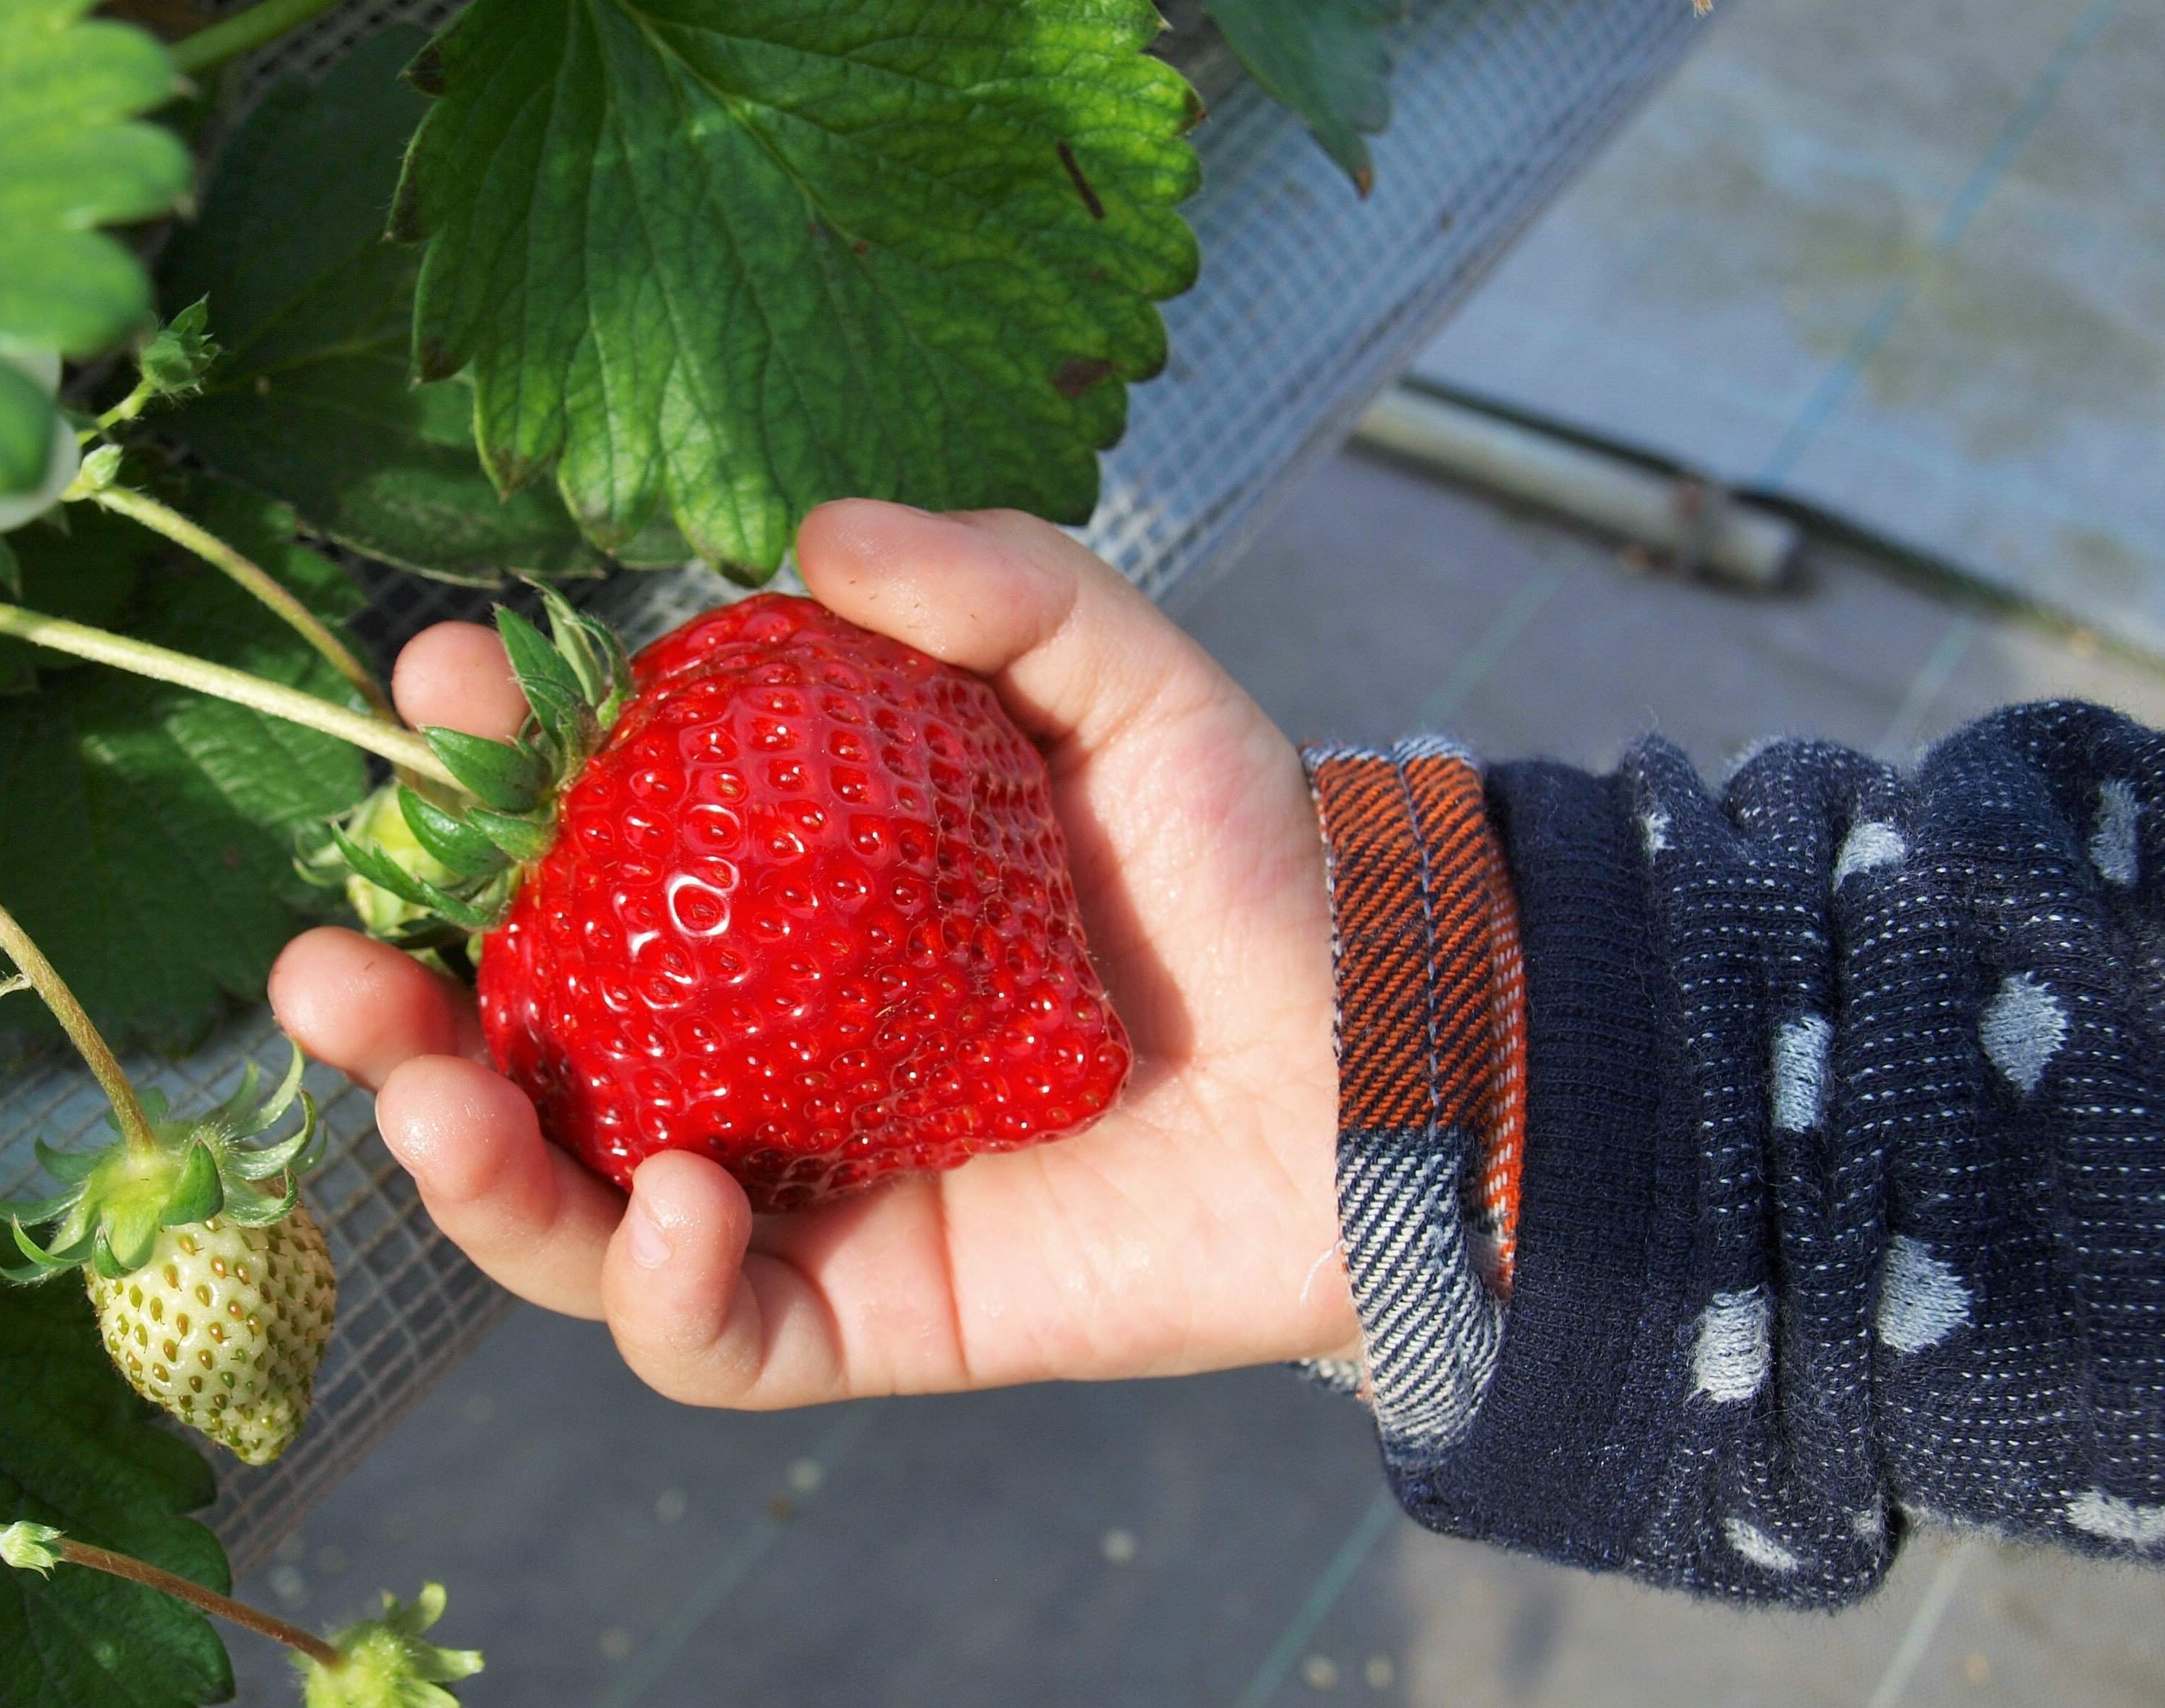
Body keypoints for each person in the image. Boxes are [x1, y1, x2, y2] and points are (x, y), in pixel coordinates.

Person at [269, 499, 2165, 1607]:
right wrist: (1440, 1047)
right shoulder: (769, 724)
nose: (1060, 1059)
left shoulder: (726, 770)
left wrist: (1474, 1063)